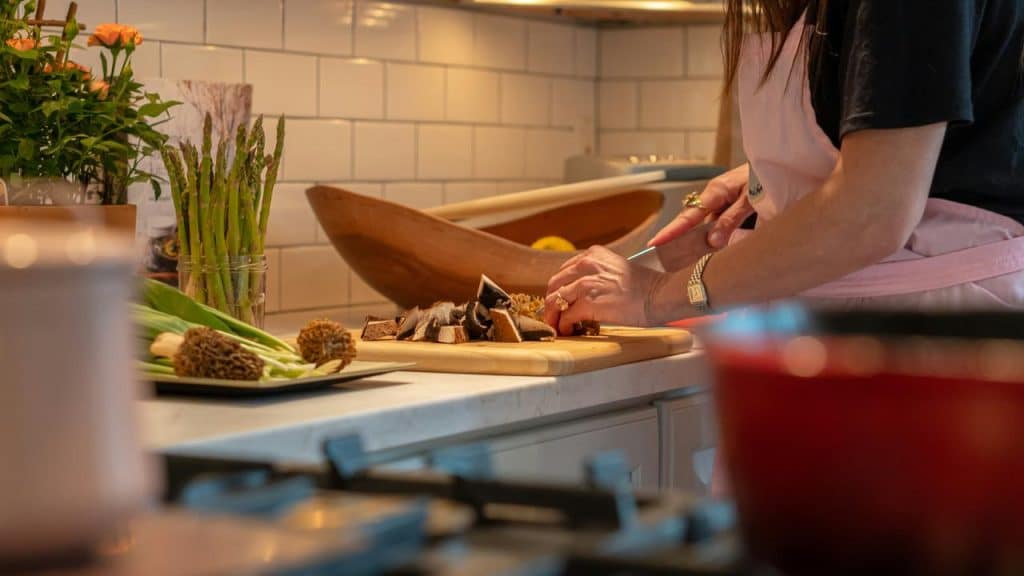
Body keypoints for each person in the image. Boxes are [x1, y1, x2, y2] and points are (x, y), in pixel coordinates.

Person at [544, 0, 1024, 334]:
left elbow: (873, 213)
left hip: (927, 341)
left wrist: (658, 294)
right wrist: (780, 182)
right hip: (858, 332)